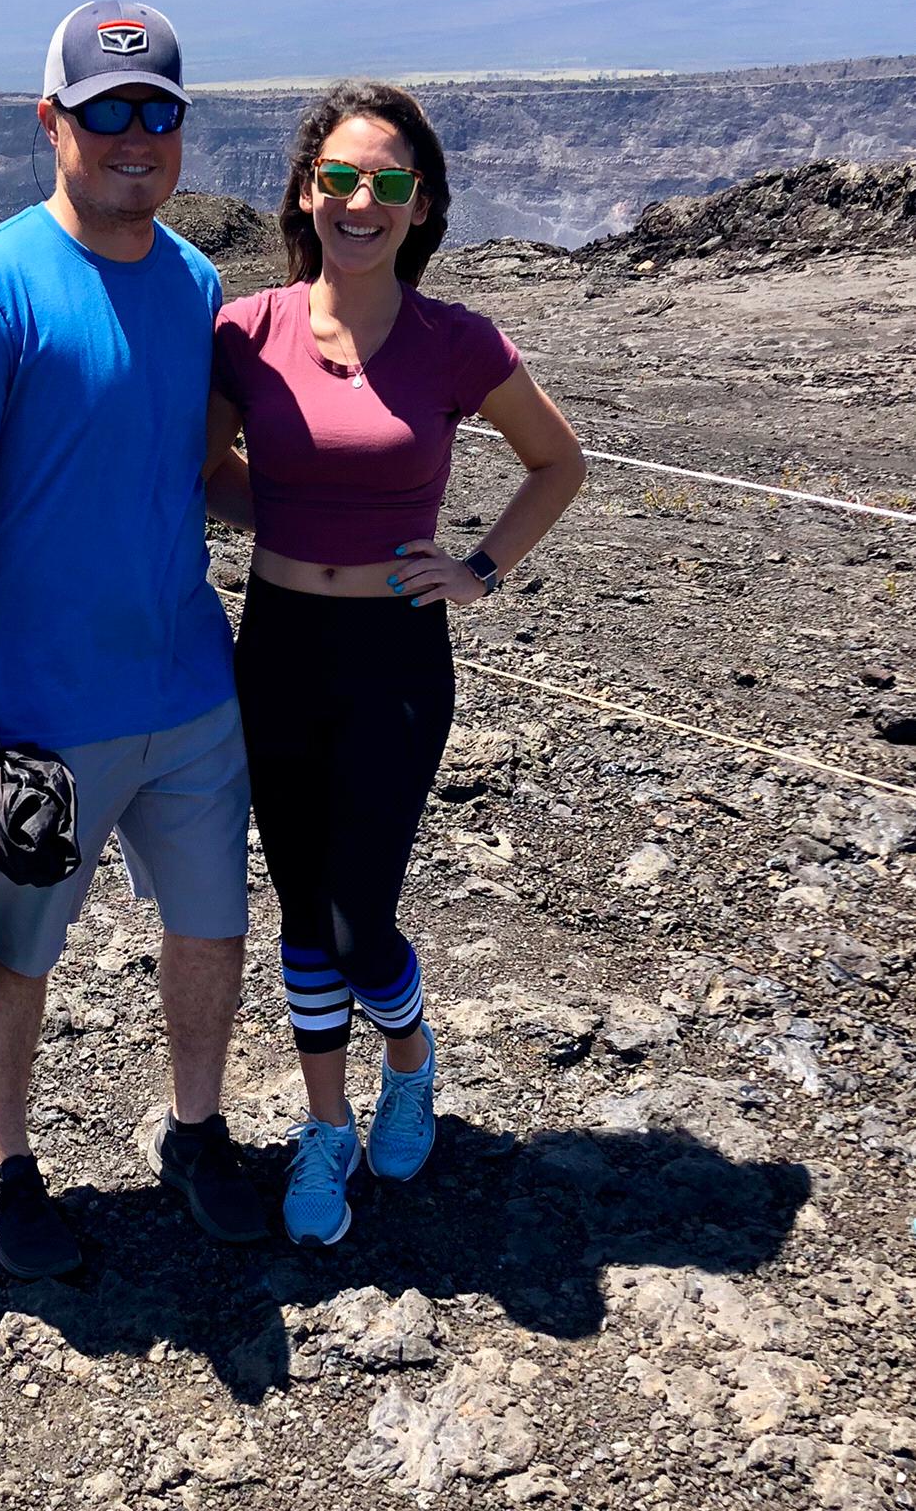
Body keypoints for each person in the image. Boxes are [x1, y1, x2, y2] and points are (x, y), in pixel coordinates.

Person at [0, 0, 267, 1280]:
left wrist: (344, 506)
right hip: (41, 718)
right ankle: (10, 1167)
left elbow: (203, 467)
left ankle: (198, 1129)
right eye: (105, 110)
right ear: (50, 119)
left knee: (211, 927)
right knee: (12, 958)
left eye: (157, 111)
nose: (134, 135)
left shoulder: (196, 282)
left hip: (190, 690)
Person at [207, 80, 586, 1246]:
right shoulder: (247, 328)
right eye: (339, 178)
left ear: (422, 206)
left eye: (388, 182)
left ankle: (410, 1059)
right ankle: (327, 1124)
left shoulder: (454, 340)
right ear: (306, 192)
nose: (359, 201)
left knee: (361, 912)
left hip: (395, 654)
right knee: (302, 911)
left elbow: (556, 463)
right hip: (274, 644)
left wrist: (477, 567)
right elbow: (202, 470)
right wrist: (293, 510)